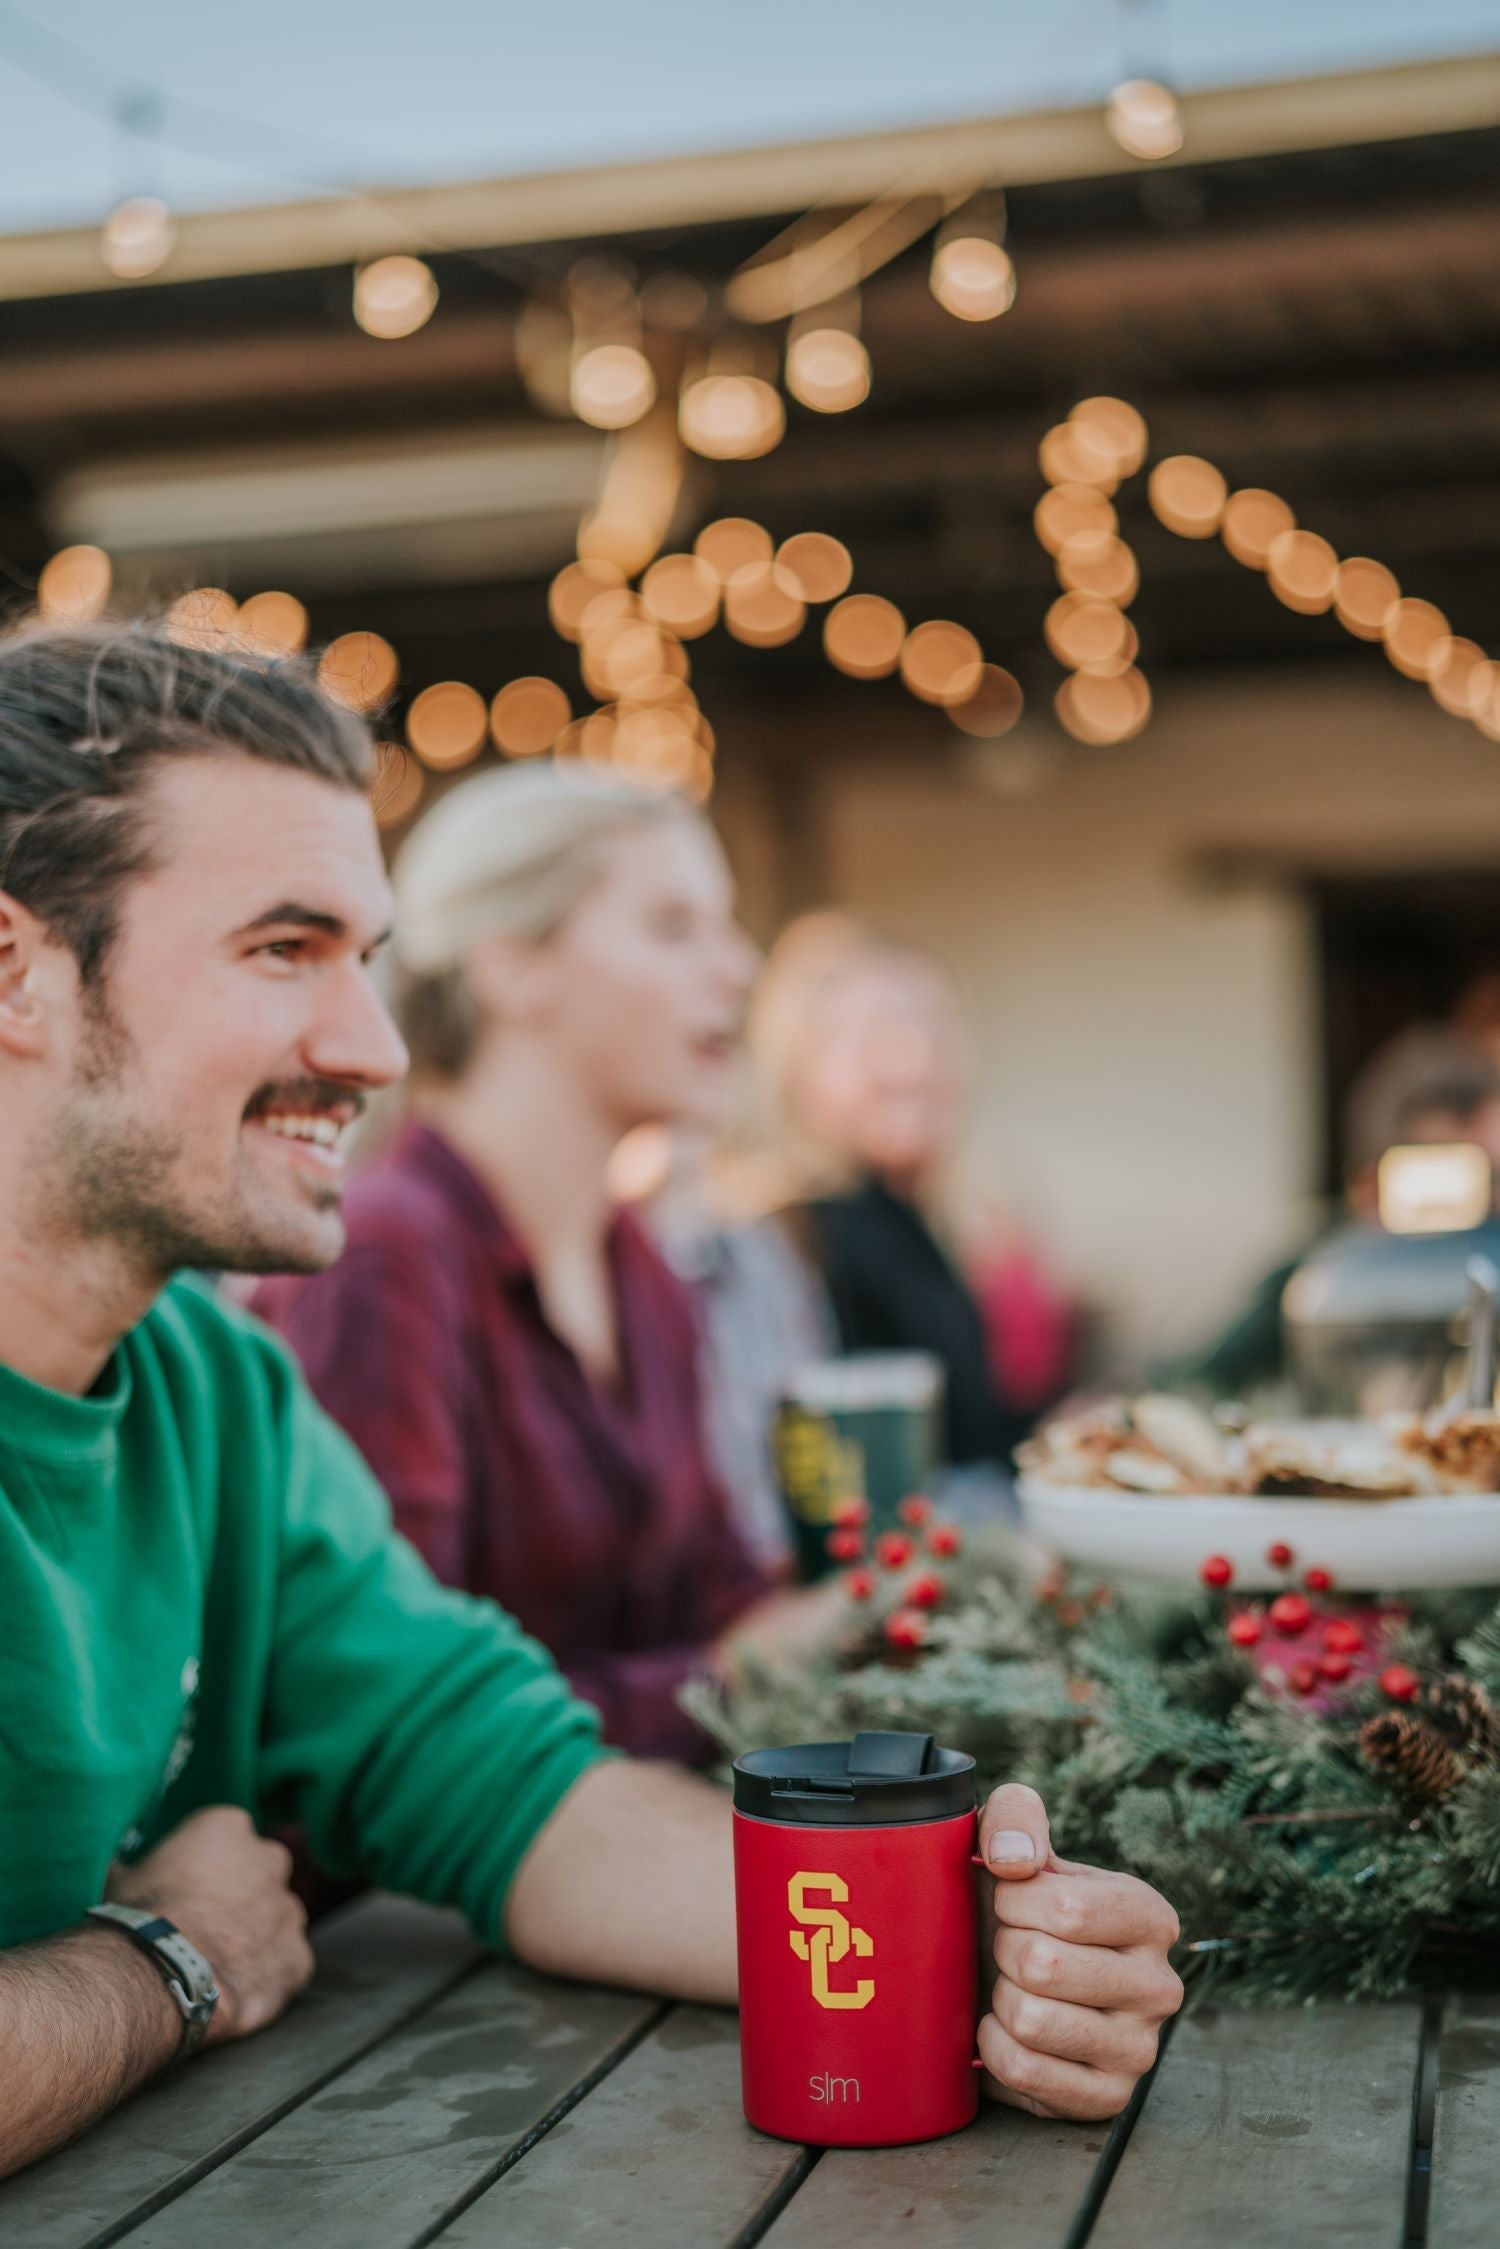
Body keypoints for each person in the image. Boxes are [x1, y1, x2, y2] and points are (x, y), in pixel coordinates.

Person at [0, 621, 1181, 2177]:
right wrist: (173, 1958)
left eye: (366, 955)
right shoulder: (380, 1276)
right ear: (15, 972)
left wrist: (947, 1939)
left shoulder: (219, 1391)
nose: (373, 1046)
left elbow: (504, 1786)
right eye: (285, 949)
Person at [253, 764, 829, 1758]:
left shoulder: (641, 1265)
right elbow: (387, 1709)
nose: (738, 967)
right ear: (511, 965)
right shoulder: (384, 1256)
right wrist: (735, 1676)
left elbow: (722, 1593)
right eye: (673, 924)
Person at [744, 916, 1064, 1467]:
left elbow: (965, 1441)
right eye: (873, 1035)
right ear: (797, 1061)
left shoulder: (915, 1226)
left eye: (935, 1029)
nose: (916, 1061)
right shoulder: (794, 1243)